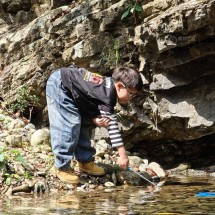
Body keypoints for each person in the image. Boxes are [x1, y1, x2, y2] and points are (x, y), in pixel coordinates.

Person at [46, 64, 143, 184]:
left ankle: (84, 161)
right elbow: (112, 128)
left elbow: (87, 97)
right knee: (70, 124)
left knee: (85, 123)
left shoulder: (107, 87)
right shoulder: (107, 96)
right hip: (60, 84)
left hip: (73, 90)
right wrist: (123, 155)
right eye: (131, 93)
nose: (131, 98)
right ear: (119, 86)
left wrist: (93, 118)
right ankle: (61, 166)